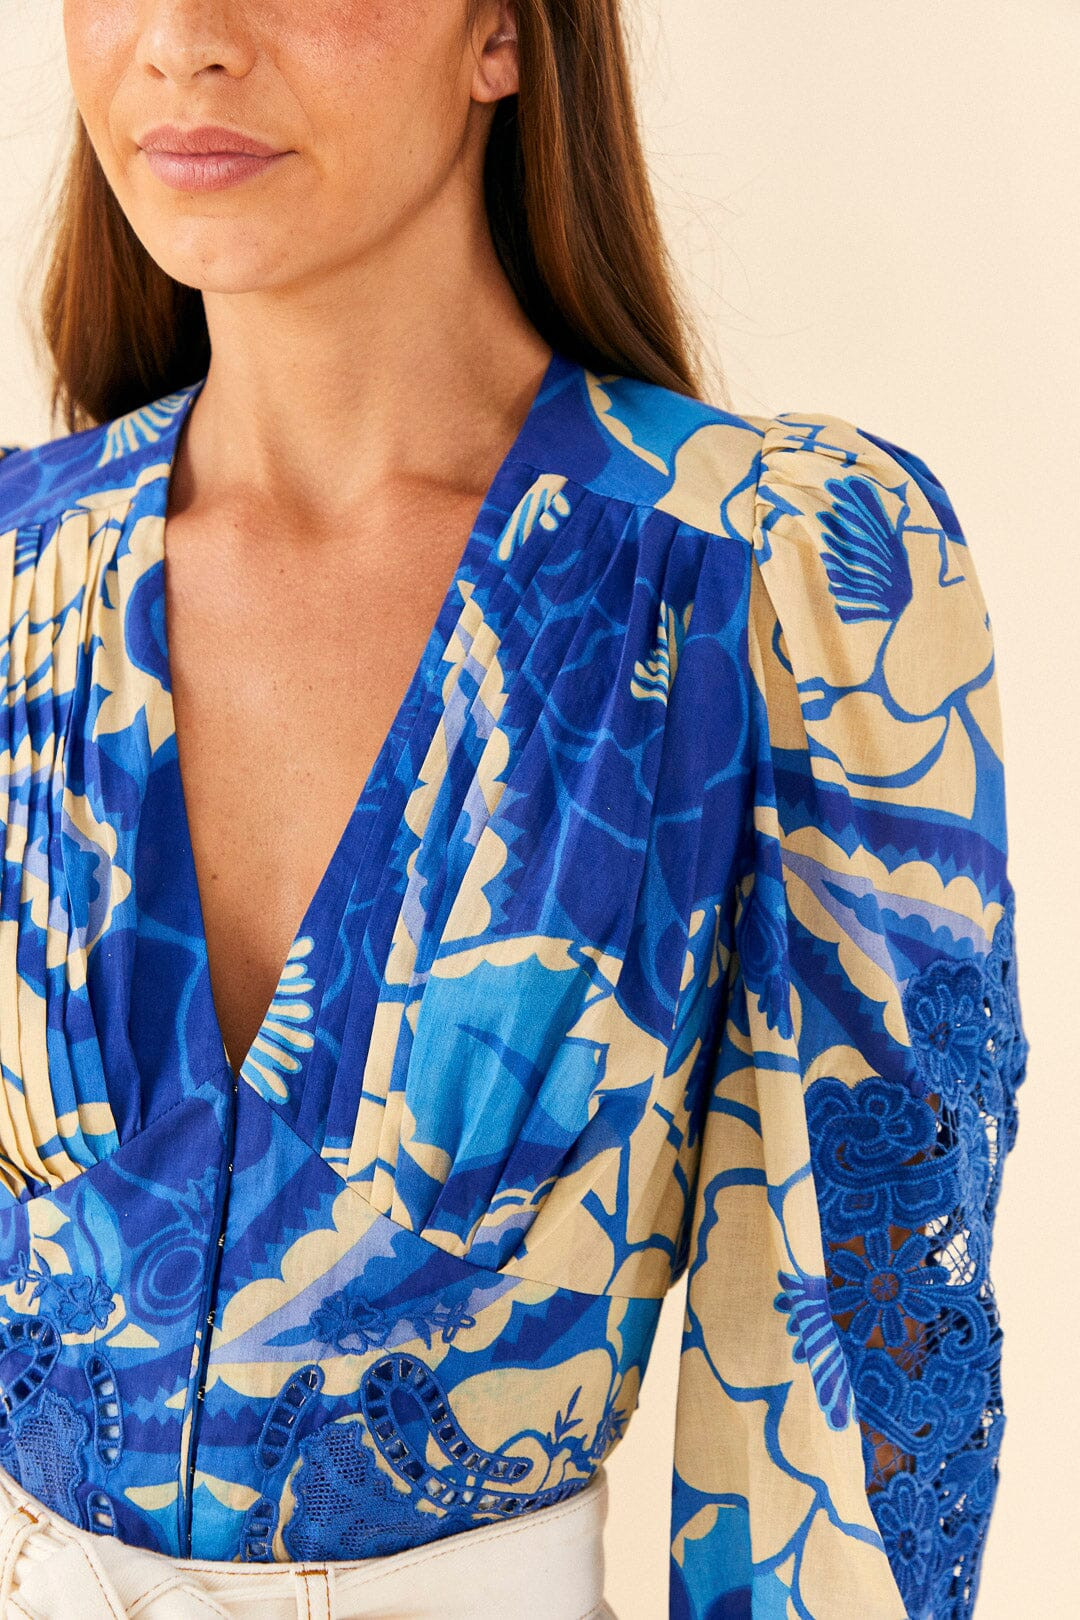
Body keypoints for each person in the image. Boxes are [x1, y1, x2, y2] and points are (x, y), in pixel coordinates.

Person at [0, 2, 1030, 1617]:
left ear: (503, 34)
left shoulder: (755, 570)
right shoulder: (16, 586)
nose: (186, 38)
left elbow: (853, 1394)